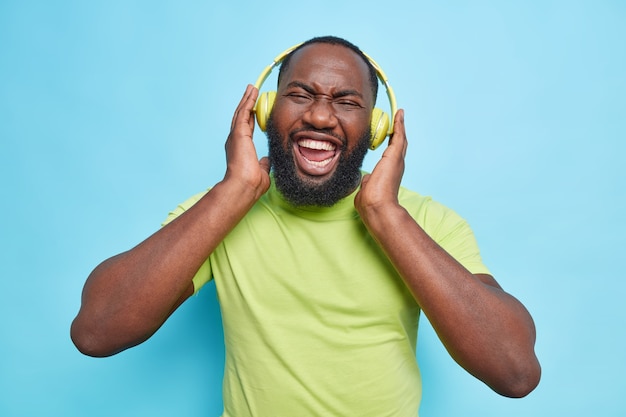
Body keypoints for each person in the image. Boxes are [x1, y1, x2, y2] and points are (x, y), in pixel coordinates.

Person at [71, 36, 541, 416]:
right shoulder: (218, 213)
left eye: (346, 101)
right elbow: (97, 331)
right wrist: (232, 194)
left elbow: (514, 372)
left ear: (379, 129)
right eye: (300, 95)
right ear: (263, 111)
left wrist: (385, 215)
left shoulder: (426, 221)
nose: (319, 116)